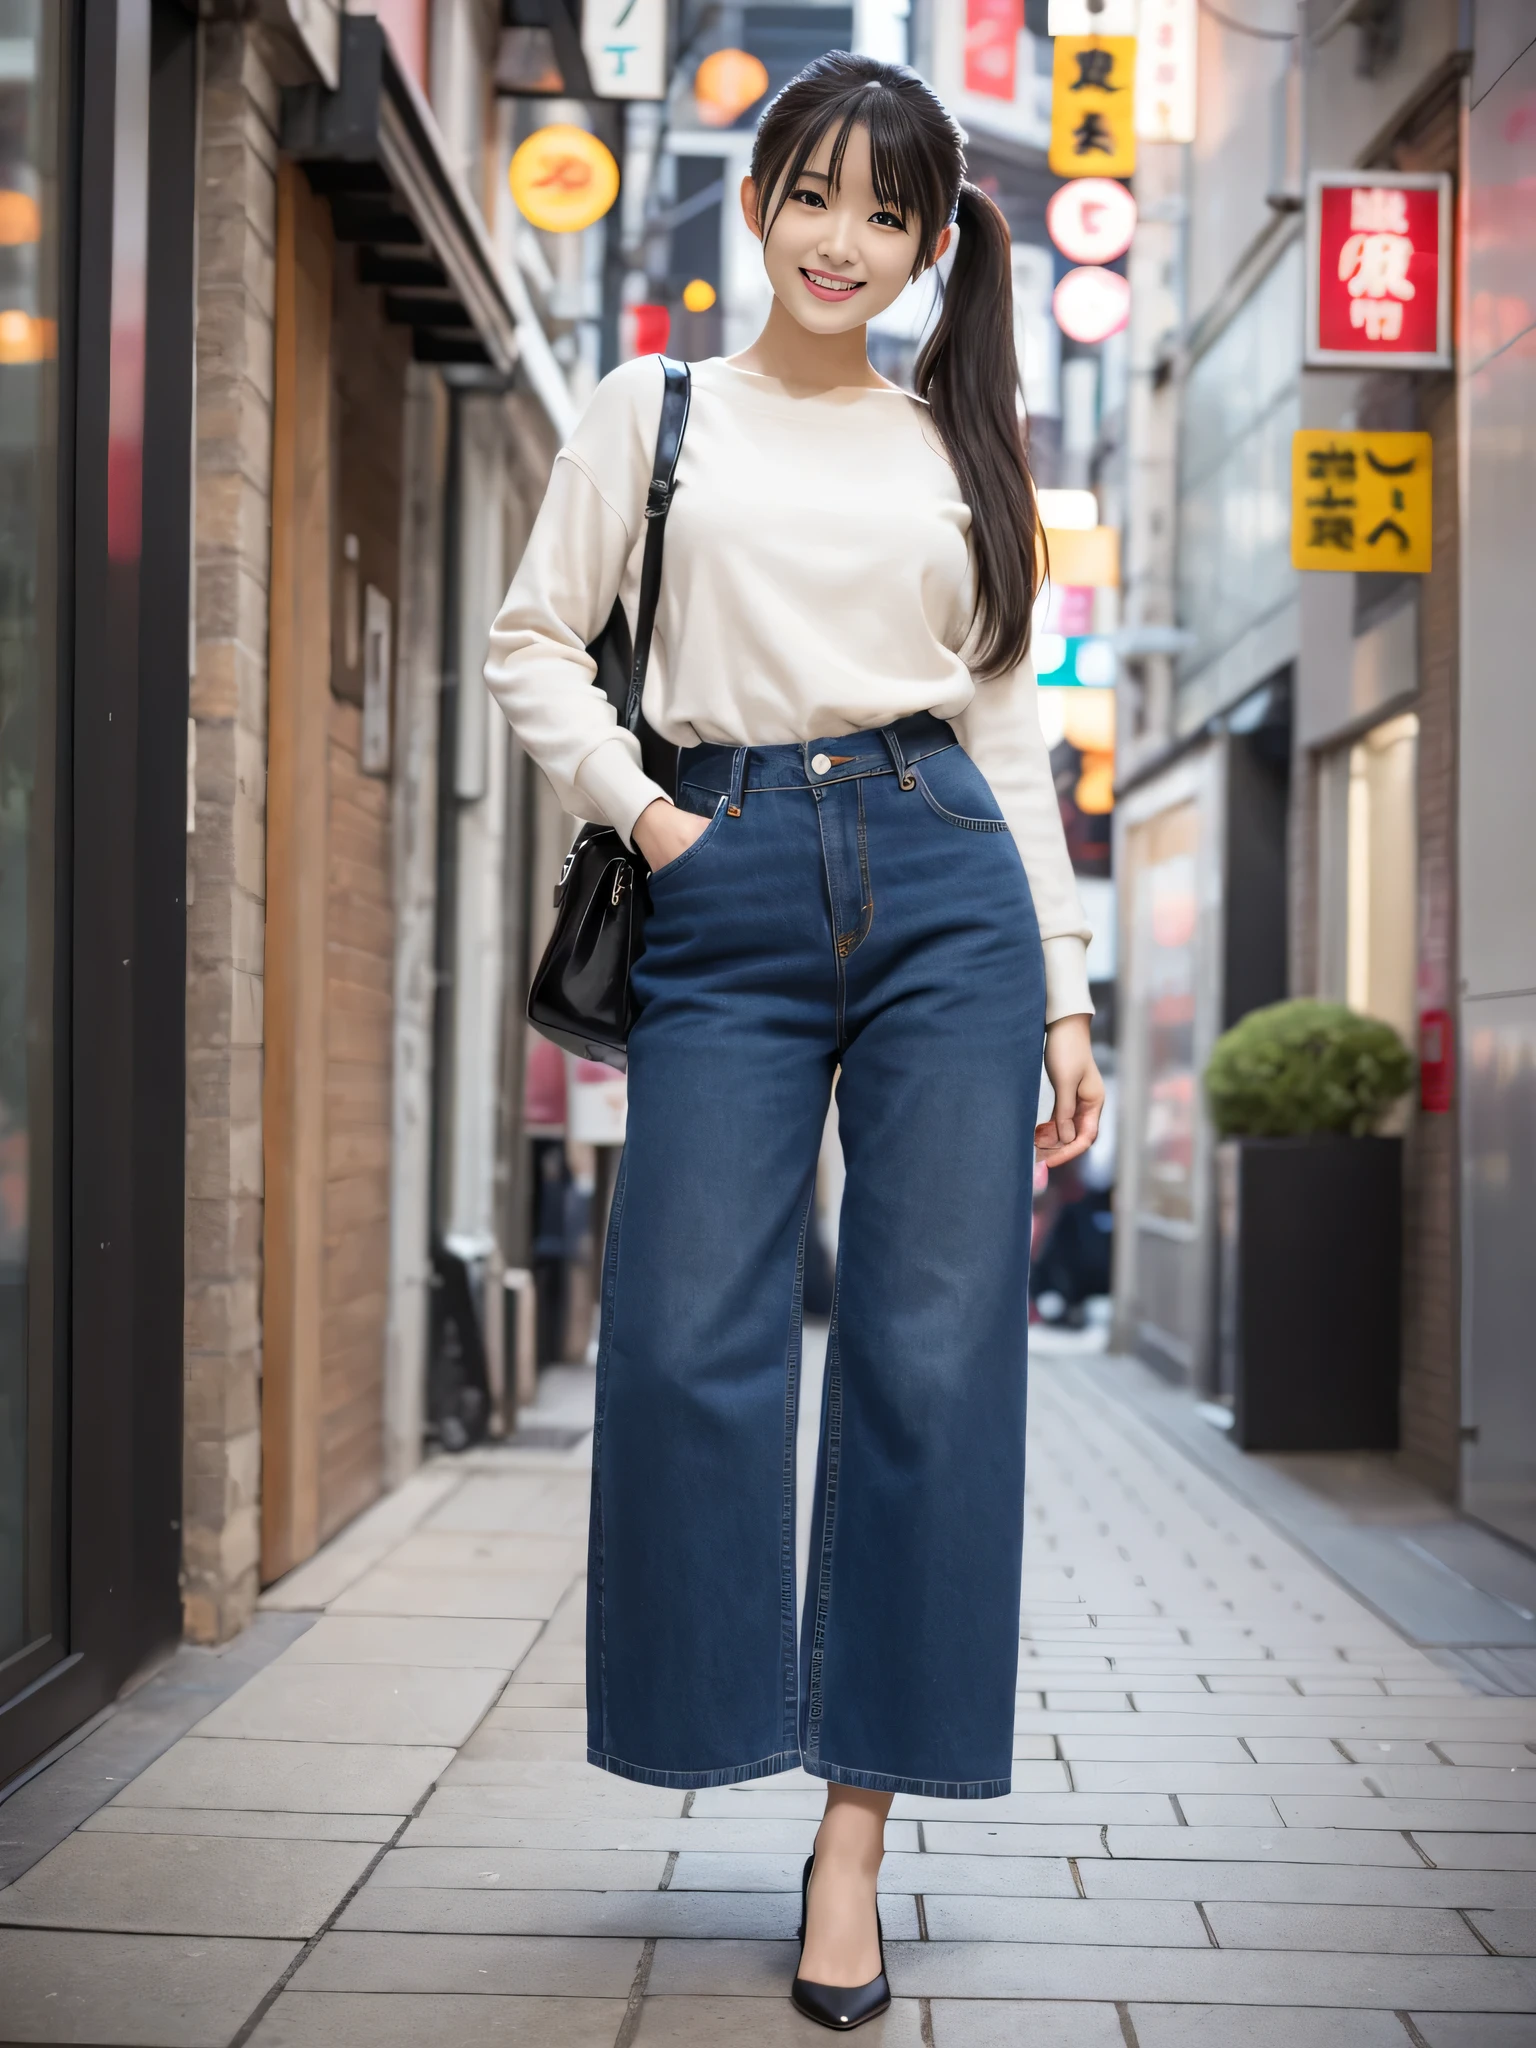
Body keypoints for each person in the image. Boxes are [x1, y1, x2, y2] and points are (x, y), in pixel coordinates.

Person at [485, 52, 1103, 2031]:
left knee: (933, 1362)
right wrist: (658, 816)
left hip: (946, 886)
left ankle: (853, 1843)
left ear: (933, 245)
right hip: (724, 870)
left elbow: (1009, 738)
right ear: (756, 201)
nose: (845, 240)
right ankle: (716, 1723)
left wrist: (1070, 985)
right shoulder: (646, 411)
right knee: (683, 1342)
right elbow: (528, 638)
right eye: (814, 194)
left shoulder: (959, 447)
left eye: (889, 213)